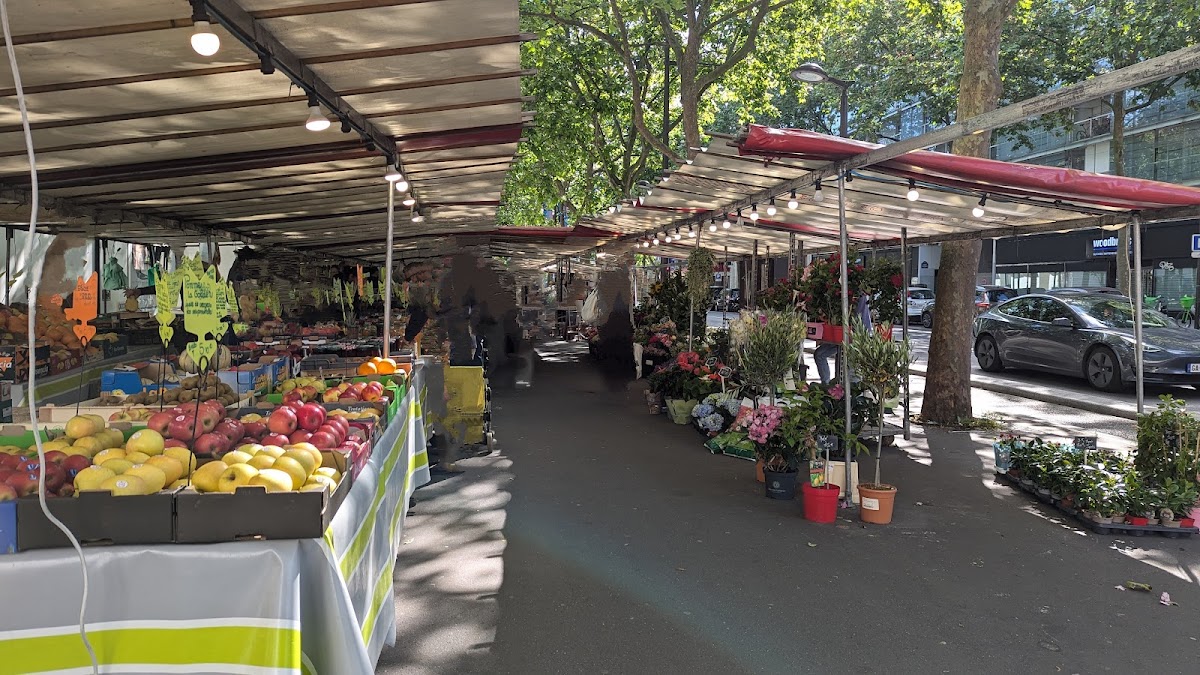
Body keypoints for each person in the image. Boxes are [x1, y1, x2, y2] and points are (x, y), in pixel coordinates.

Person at [813, 292, 873, 384]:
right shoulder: (842, 294)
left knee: (850, 368)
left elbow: (860, 317)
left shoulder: (859, 294)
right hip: (841, 333)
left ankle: (852, 389)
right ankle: (826, 384)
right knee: (820, 354)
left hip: (856, 334)